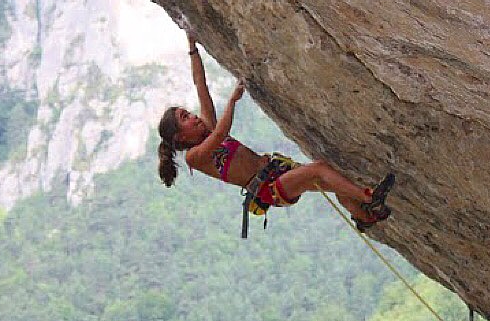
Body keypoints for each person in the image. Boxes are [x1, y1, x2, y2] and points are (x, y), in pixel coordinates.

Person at [157, 30, 394, 232]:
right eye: (185, 117)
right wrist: (232, 102)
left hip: (275, 170)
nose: (194, 116)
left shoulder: (205, 131)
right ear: (180, 136)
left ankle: (365, 218)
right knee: (320, 169)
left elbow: (201, 85)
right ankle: (368, 197)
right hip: (269, 189)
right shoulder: (195, 156)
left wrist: (192, 46)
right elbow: (220, 134)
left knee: (333, 181)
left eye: (188, 112)